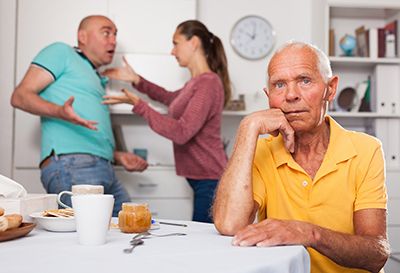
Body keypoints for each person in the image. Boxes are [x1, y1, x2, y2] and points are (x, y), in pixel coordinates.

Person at [213, 41, 390, 273]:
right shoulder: (262, 151)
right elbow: (229, 224)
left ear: (331, 88)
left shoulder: (366, 149)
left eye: (304, 80)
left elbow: (376, 254)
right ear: (269, 97)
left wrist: (309, 233)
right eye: (279, 85)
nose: (291, 95)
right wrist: (248, 127)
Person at [10, 15, 148, 216]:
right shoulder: (61, 52)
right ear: (82, 36)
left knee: (127, 231)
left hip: (104, 168)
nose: (113, 40)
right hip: (73, 166)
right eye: (106, 32)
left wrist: (117, 156)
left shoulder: (94, 75)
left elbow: (89, 132)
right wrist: (60, 112)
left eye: (115, 34)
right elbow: (20, 96)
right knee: (86, 237)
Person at [102, 20, 231, 223]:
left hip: (211, 179)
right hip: (203, 180)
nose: (172, 51)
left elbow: (182, 132)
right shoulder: (196, 84)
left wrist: (138, 104)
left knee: (203, 245)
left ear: (194, 42)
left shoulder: (208, 83)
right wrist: (136, 80)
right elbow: (168, 97)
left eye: (176, 43)